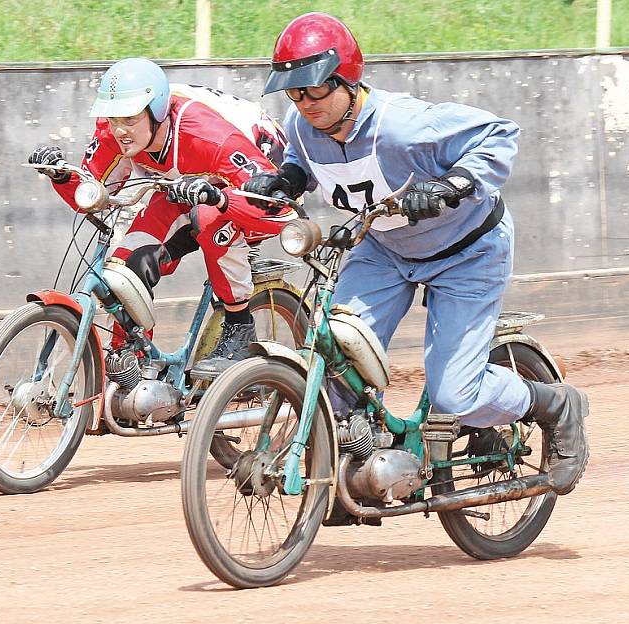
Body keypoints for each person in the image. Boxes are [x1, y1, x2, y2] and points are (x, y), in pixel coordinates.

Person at [243, 13, 588, 495]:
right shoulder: (302, 127)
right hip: (383, 250)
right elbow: (301, 161)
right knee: (336, 351)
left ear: (347, 79)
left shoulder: (403, 125)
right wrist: (285, 179)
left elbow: (499, 133)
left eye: (316, 90)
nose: (305, 104)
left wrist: (452, 184)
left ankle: (555, 405)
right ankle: (357, 457)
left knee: (455, 393)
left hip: (467, 252)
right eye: (294, 93)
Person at [29, 57, 297, 377]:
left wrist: (219, 198)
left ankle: (240, 329)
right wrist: (62, 177)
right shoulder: (112, 132)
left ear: (156, 111)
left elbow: (277, 208)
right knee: (126, 265)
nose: (120, 130)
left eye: (129, 119)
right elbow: (94, 194)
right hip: (181, 184)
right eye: (114, 119)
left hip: (259, 182)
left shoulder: (205, 134)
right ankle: (132, 358)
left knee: (209, 218)